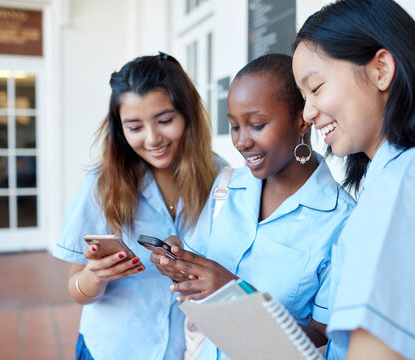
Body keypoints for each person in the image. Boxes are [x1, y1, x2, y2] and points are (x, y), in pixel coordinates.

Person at [292, 0, 415, 359]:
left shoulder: (412, 181)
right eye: (303, 97)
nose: (307, 112)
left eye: (315, 88)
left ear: (381, 69)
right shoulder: (405, 177)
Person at [152, 53, 356, 359]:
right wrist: (177, 262)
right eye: (234, 126)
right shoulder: (227, 187)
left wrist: (234, 292)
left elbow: (321, 340)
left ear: (301, 119)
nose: (241, 141)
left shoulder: (342, 222)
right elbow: (200, 273)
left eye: (257, 125)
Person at [53, 53, 226, 359]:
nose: (152, 139)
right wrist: (96, 276)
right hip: (113, 349)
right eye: (134, 127)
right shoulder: (101, 184)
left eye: (165, 121)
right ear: (120, 130)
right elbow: (76, 288)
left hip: (185, 349)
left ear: (188, 114)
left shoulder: (220, 179)